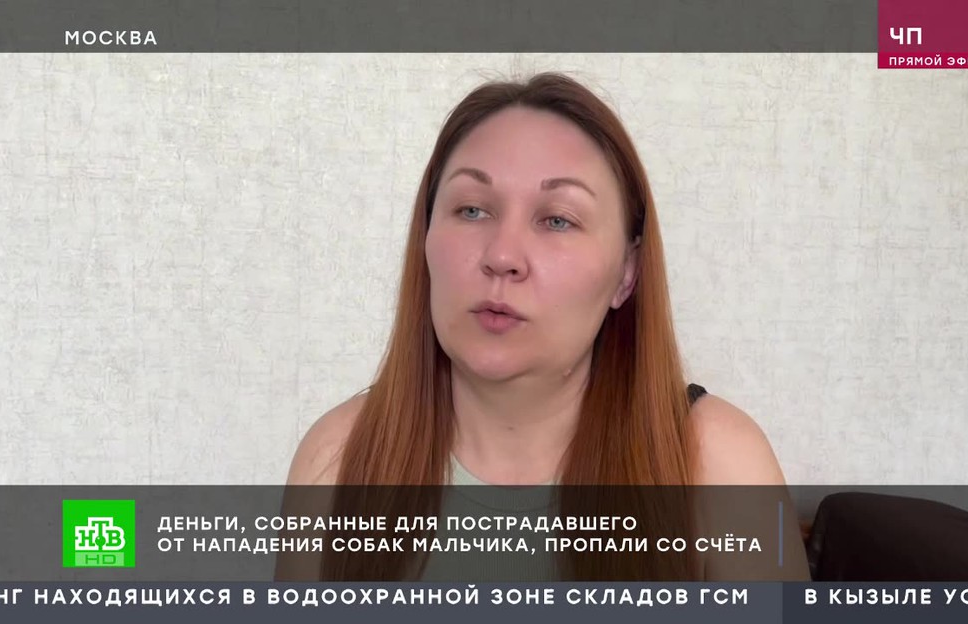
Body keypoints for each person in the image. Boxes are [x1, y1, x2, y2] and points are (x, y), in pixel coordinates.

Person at [280, 72, 808, 582]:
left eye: (558, 219)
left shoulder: (720, 464)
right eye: (471, 210)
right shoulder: (336, 459)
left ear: (627, 273)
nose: (503, 256)